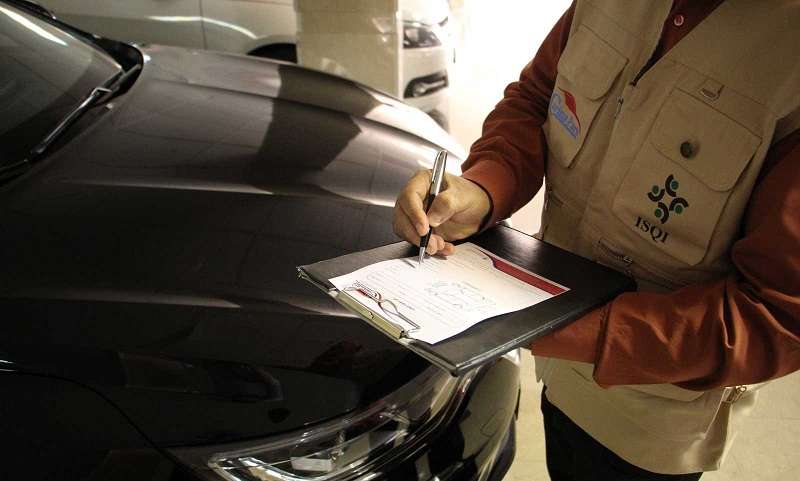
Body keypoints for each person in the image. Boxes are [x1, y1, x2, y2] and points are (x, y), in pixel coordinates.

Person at [392, 1, 800, 480]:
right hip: (552, 360)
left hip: (648, 421)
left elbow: (777, 315)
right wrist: (483, 189)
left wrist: (568, 328)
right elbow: (536, 99)